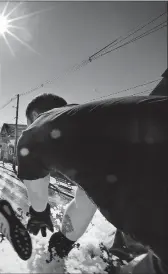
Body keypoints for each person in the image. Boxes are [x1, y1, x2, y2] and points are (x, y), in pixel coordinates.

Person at [16, 93, 168, 273]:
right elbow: (85, 201)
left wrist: (39, 215)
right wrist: (65, 240)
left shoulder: (37, 130)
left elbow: (38, 198)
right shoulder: (96, 121)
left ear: (34, 117)